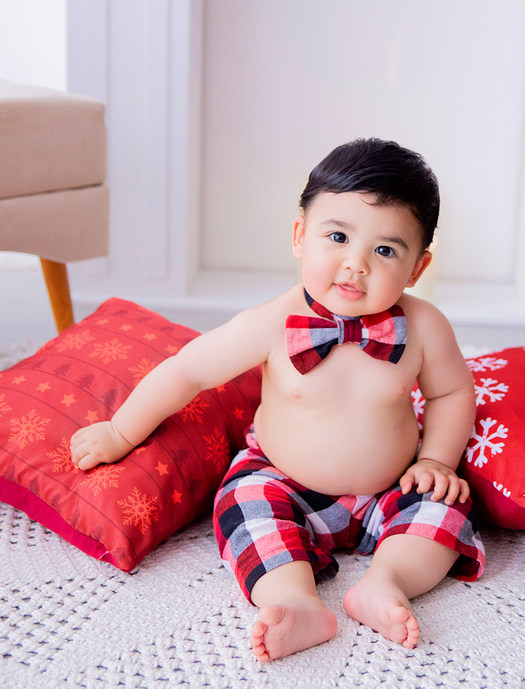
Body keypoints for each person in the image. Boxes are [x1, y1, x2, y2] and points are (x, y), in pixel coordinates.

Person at [70, 138, 484, 662]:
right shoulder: (269, 323)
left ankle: (387, 581)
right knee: (244, 506)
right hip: (286, 484)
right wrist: (120, 432)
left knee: (445, 507)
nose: (354, 265)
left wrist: (434, 460)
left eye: (385, 250)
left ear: (417, 268)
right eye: (336, 236)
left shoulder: (424, 326)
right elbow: (188, 371)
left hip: (390, 488)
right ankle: (296, 601)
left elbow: (451, 392)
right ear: (299, 236)